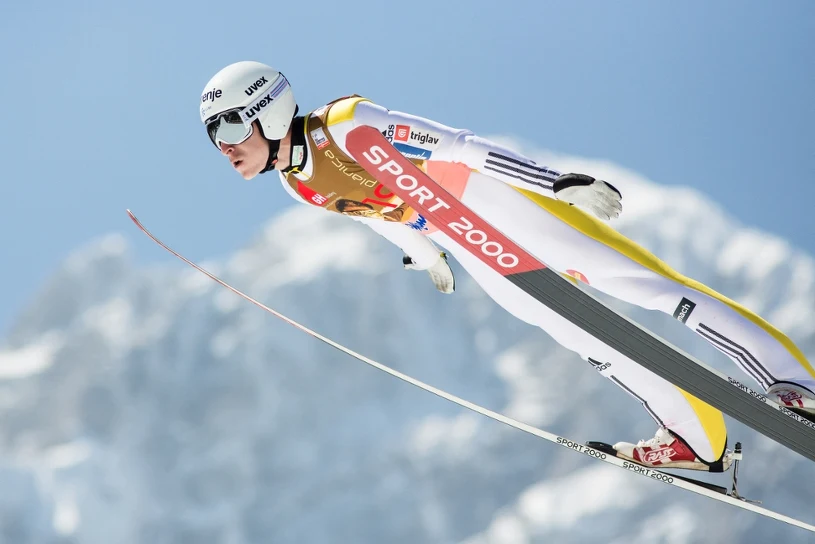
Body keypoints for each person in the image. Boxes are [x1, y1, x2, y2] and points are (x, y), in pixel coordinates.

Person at [198, 60, 815, 472]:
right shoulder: (298, 187)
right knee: (585, 340)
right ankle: (697, 439)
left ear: (268, 109)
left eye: (228, 123)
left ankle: (795, 386)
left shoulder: (347, 124)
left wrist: (554, 182)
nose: (222, 143)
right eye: (210, 133)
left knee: (647, 287)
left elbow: (456, 145)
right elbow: (376, 213)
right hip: (467, 240)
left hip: (495, 202)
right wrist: (425, 253)